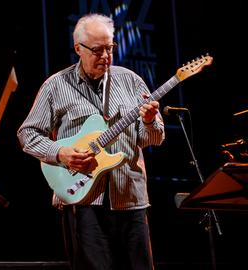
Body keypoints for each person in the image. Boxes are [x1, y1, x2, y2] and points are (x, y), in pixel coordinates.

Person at [17, 13, 165, 270]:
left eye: (110, 48)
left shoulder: (131, 80)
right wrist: (61, 153)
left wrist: (151, 121)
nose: (106, 56)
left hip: (130, 197)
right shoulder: (56, 86)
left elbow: (152, 138)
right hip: (83, 201)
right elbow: (27, 134)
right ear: (78, 49)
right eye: (97, 50)